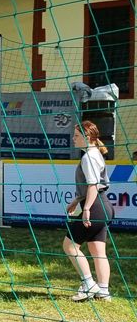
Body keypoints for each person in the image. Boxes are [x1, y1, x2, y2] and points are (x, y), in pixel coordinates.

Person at [63, 121, 113, 302]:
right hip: (104, 205)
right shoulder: (96, 154)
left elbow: (92, 185)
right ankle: (103, 290)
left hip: (95, 206)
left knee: (69, 246)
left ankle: (88, 284)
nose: (73, 139)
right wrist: (76, 200)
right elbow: (95, 184)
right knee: (98, 250)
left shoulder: (88, 157)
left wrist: (86, 208)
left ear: (87, 137)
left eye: (76, 136)